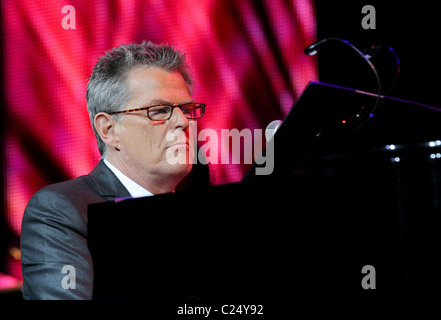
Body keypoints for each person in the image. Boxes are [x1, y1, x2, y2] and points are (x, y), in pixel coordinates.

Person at [20, 41, 205, 299]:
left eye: (186, 109)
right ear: (109, 130)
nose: (184, 122)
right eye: (159, 110)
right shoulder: (61, 211)